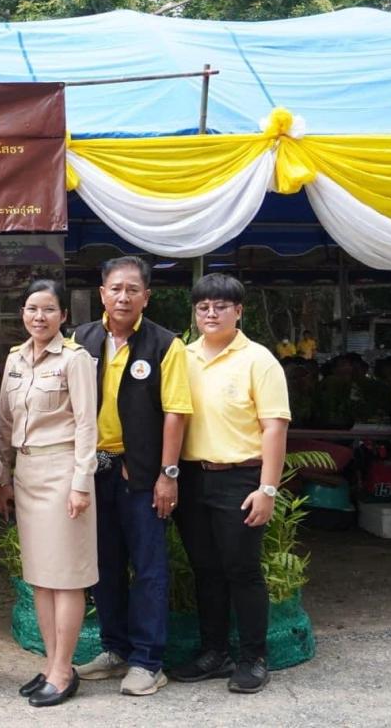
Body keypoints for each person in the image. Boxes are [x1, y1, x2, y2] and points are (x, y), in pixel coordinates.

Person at [72, 256, 191, 696]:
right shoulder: (79, 340)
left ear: (146, 296)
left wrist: (168, 475)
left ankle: (147, 659)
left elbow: (176, 414)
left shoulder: (165, 344)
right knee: (103, 566)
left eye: (132, 290)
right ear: (102, 292)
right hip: (93, 473)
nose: (123, 297)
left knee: (149, 567)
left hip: (142, 477)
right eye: (115, 288)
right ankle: (115, 649)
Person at [172, 274, 291, 693]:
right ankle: (215, 651)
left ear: (239, 311)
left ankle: (254, 658)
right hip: (190, 477)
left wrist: (268, 488)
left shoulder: (259, 360)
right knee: (206, 569)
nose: (211, 313)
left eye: (221, 306)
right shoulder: (182, 356)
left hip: (241, 477)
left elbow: (274, 428)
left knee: (242, 570)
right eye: (203, 306)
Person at [0, 280, 98, 707]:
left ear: (63, 316)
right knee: (39, 575)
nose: (40, 317)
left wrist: (80, 483)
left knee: (66, 576)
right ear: (23, 313)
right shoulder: (15, 359)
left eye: (49, 309)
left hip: (63, 472)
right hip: (27, 472)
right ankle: (51, 662)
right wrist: (2, 476)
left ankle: (64, 668)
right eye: (32, 309)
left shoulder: (75, 359)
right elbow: (4, 423)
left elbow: (86, 425)